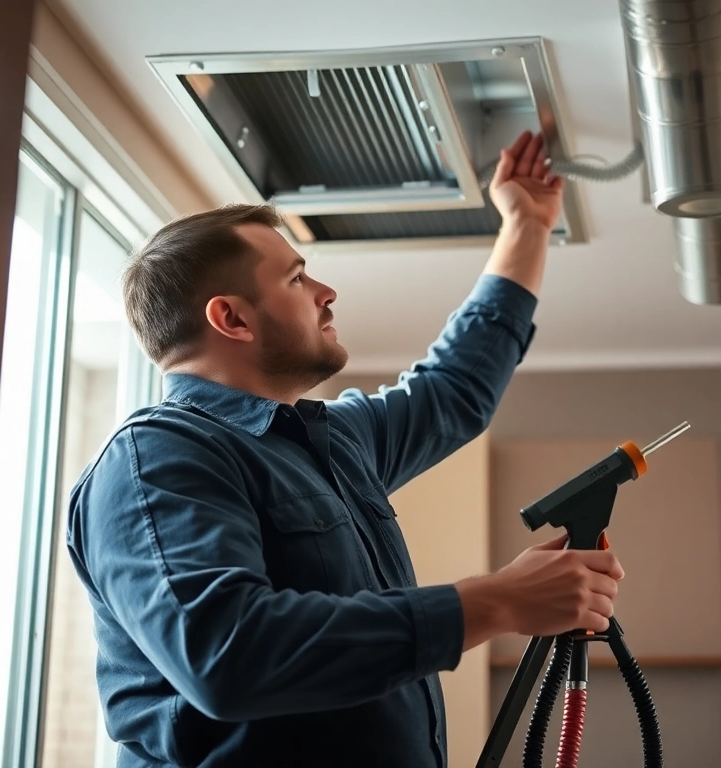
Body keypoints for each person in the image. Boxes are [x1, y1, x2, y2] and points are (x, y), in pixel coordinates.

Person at [66, 131, 626, 768]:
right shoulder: (156, 459)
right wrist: (496, 601)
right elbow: (228, 655)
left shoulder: (332, 440)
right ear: (233, 319)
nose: (326, 292)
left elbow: (454, 391)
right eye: (297, 277)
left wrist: (527, 224)